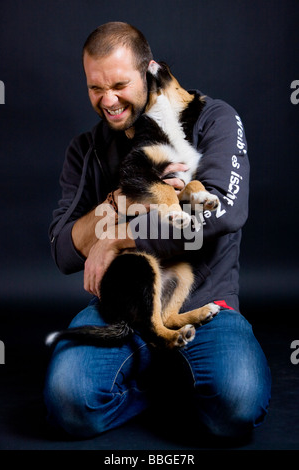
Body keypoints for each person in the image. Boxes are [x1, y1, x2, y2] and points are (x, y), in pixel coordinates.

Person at [44, 21, 271, 440]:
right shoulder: (87, 149)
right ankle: (162, 389)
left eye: (119, 84)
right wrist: (116, 204)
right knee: (69, 402)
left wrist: (118, 236)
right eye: (95, 88)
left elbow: (222, 215)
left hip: (206, 302)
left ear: (148, 71)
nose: (108, 100)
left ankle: (182, 376)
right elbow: (63, 250)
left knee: (235, 407)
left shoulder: (212, 118)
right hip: (124, 307)